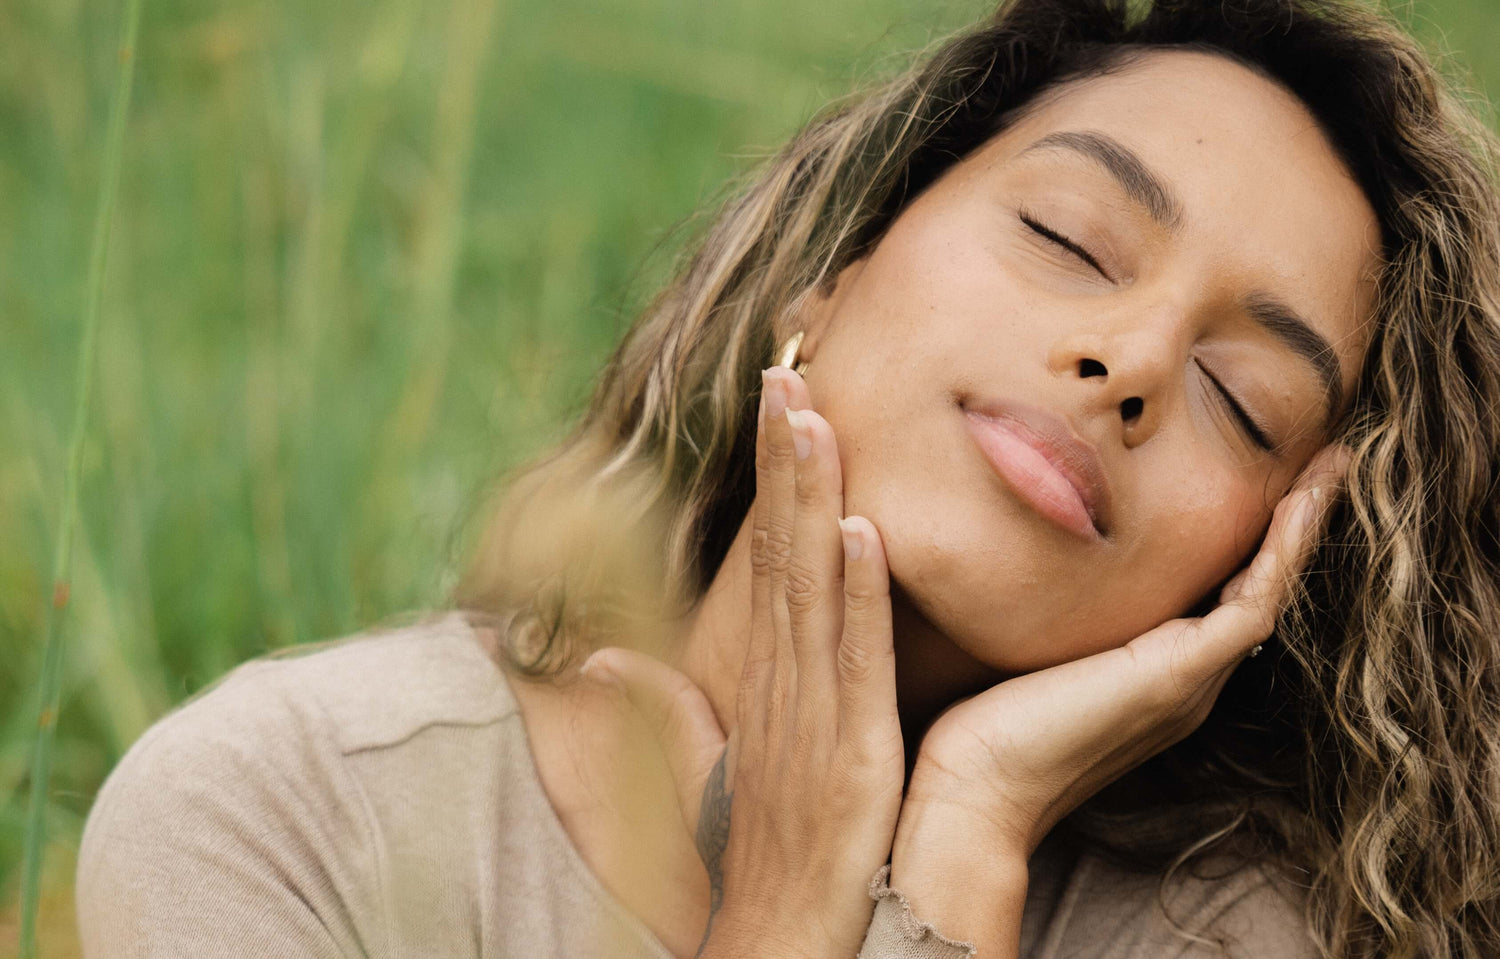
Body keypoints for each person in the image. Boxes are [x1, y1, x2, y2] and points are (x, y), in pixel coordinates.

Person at [75, 0, 1500, 956]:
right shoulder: (292, 807)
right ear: (833, 273)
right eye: (1071, 237)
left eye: (1240, 404)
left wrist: (960, 846)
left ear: (1271, 555)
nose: (1128, 359)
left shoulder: (1223, 931)